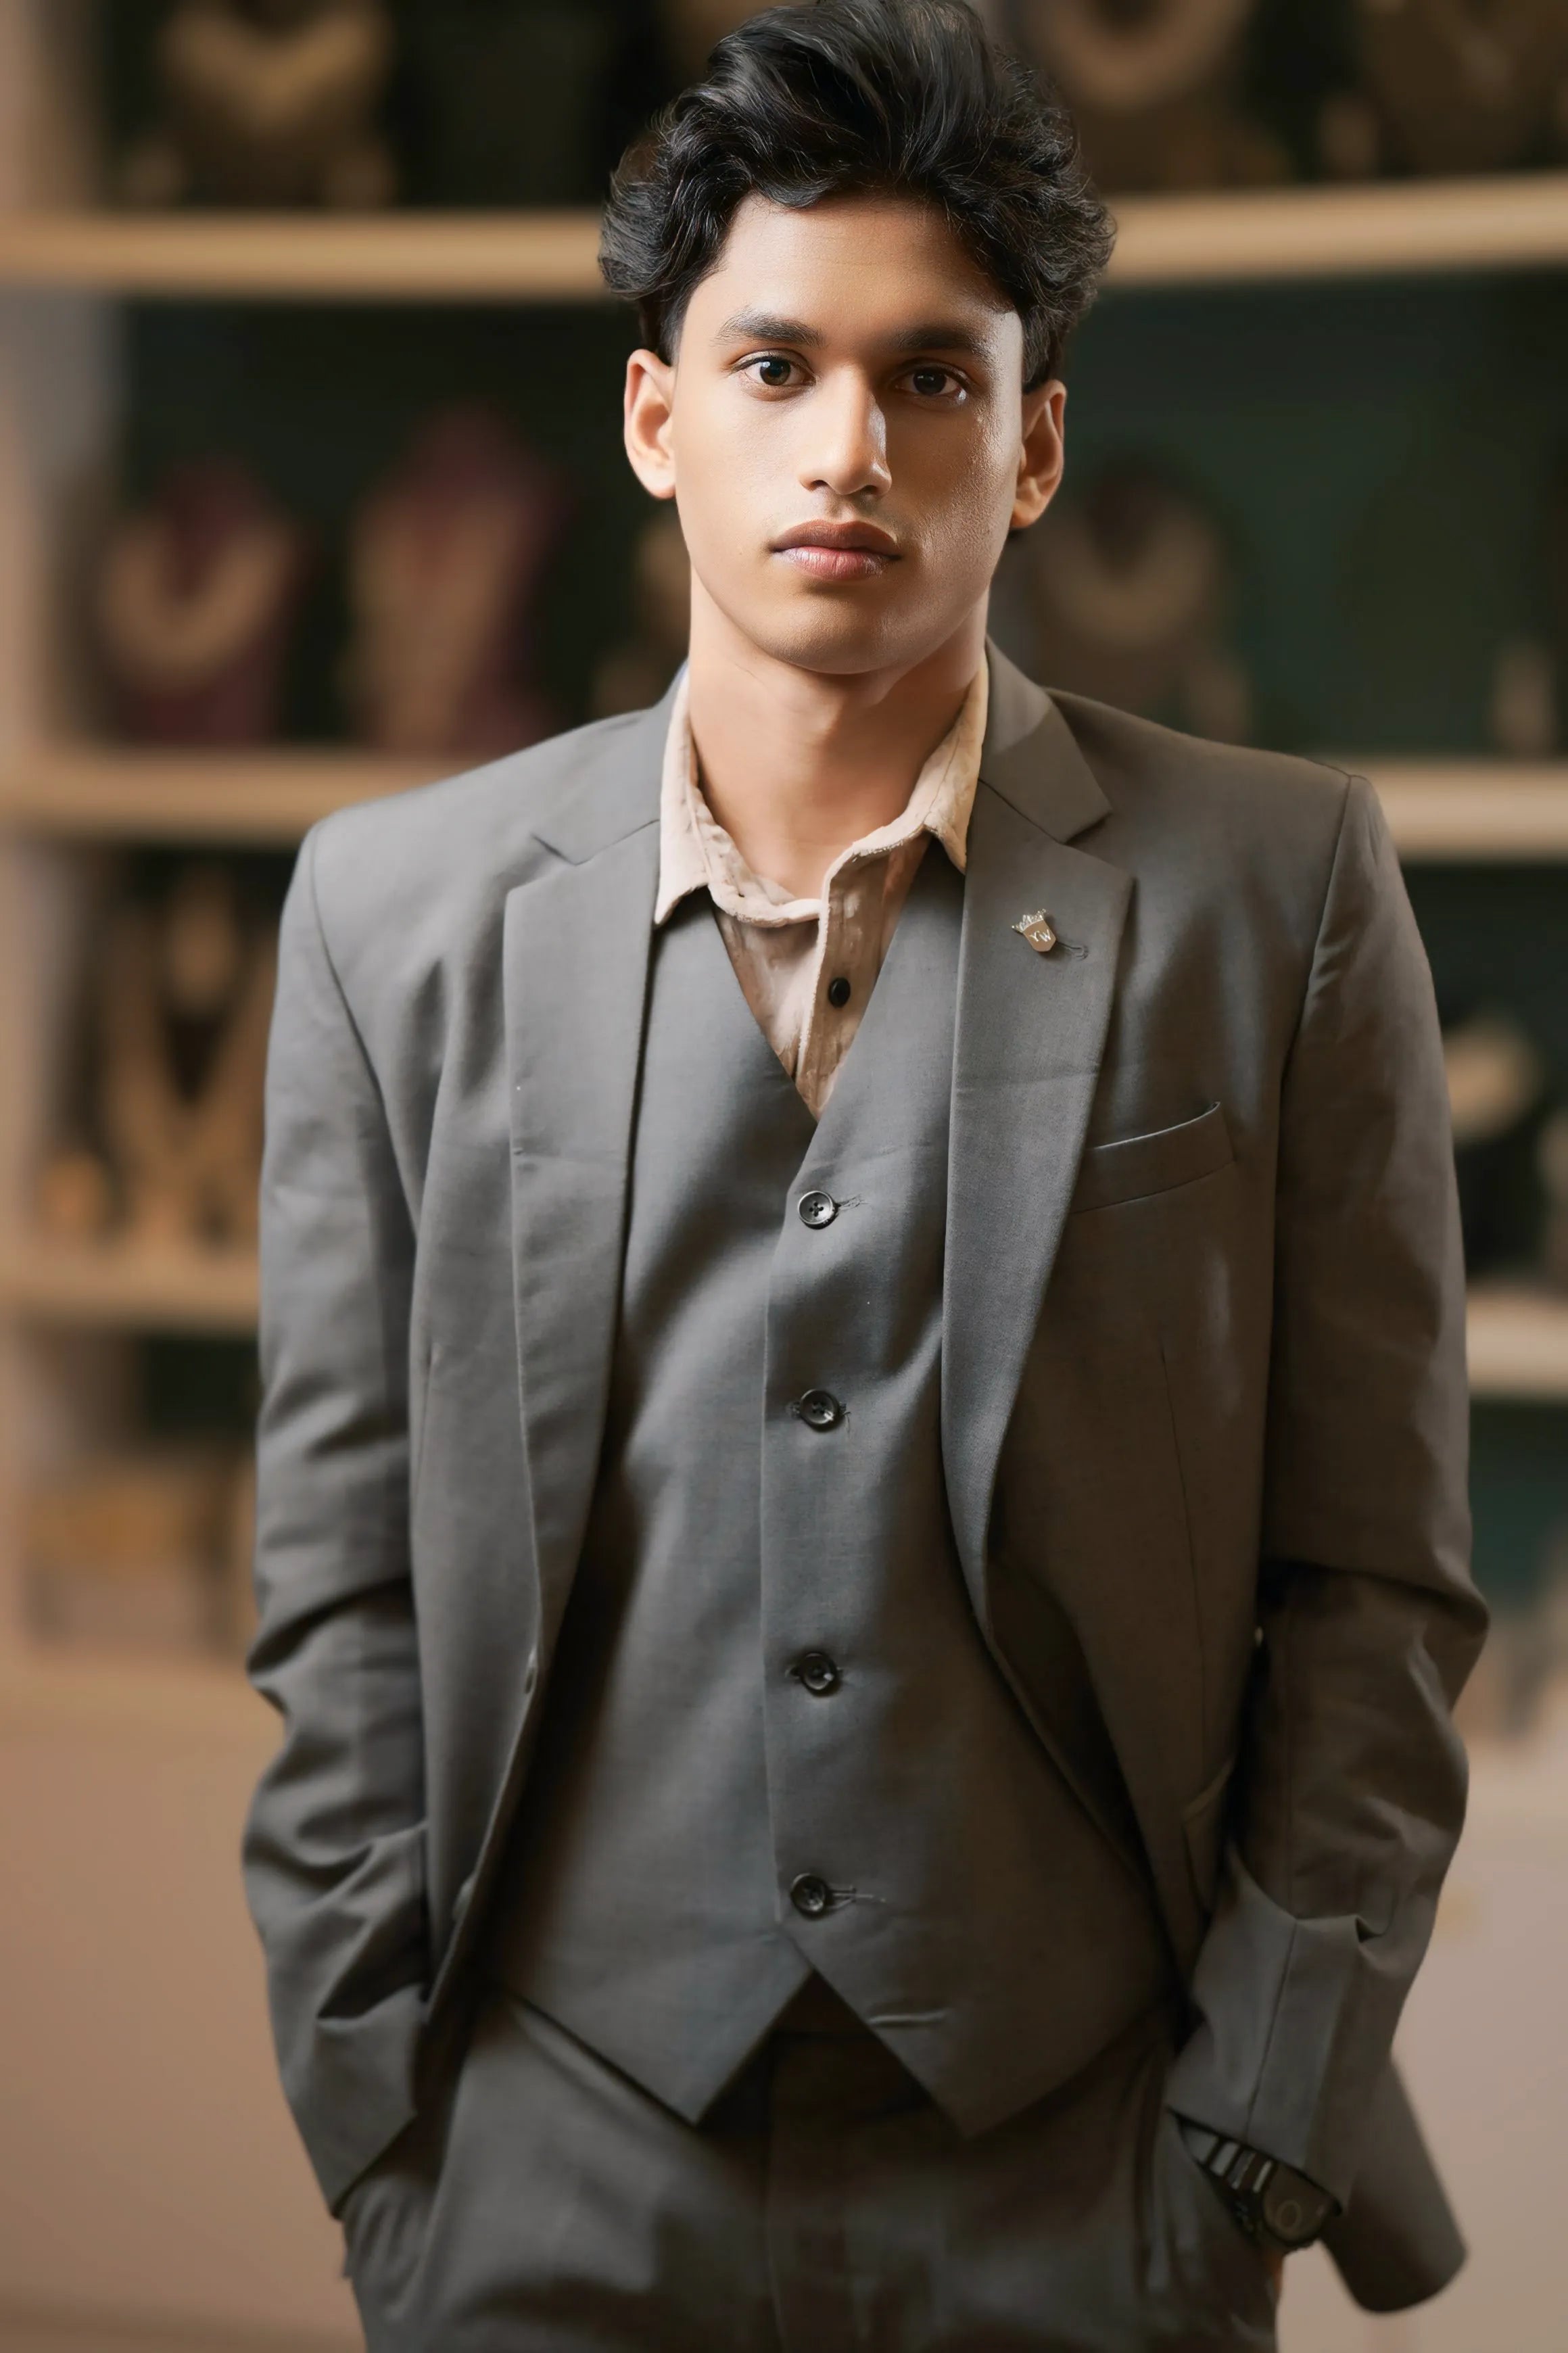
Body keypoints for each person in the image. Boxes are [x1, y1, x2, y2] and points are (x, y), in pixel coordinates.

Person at [242, 4, 1487, 2346]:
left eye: (932, 377)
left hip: (1092, 2174)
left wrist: (1250, 2135)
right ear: (652, 420)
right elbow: (341, 1611)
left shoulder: (1283, 890)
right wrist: (386, 2140)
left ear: (1031, 449)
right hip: (544, 2166)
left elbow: (1375, 1592)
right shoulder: (383, 919)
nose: (851, 447)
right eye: (775, 366)